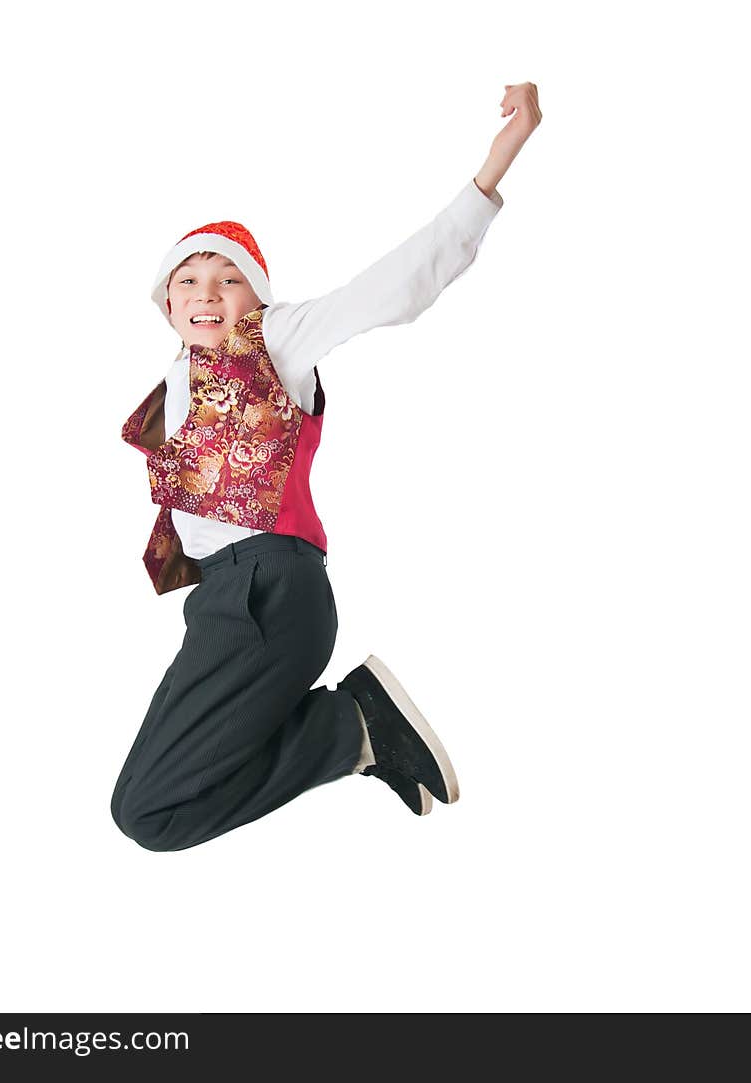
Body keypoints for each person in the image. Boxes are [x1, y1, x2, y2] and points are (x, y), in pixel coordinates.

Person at [111, 83, 543, 852]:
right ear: (166, 303)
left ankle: (351, 726)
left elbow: (392, 288)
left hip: (267, 594)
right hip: (225, 606)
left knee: (148, 811)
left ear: (258, 295)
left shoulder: (277, 340)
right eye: (188, 281)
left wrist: (491, 172)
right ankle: (353, 728)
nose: (207, 294)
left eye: (227, 279)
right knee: (146, 806)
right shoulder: (175, 382)